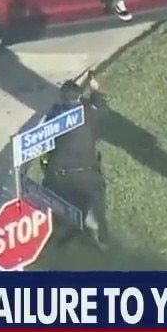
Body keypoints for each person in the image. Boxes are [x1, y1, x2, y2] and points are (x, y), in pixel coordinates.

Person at [40, 72, 111, 248]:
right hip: (87, 174)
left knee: (57, 205)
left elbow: (44, 141)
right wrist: (95, 90)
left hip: (58, 175)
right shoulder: (90, 114)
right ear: (80, 97)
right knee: (96, 204)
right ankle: (100, 240)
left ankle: (60, 235)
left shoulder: (55, 116)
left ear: (63, 98)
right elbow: (101, 107)